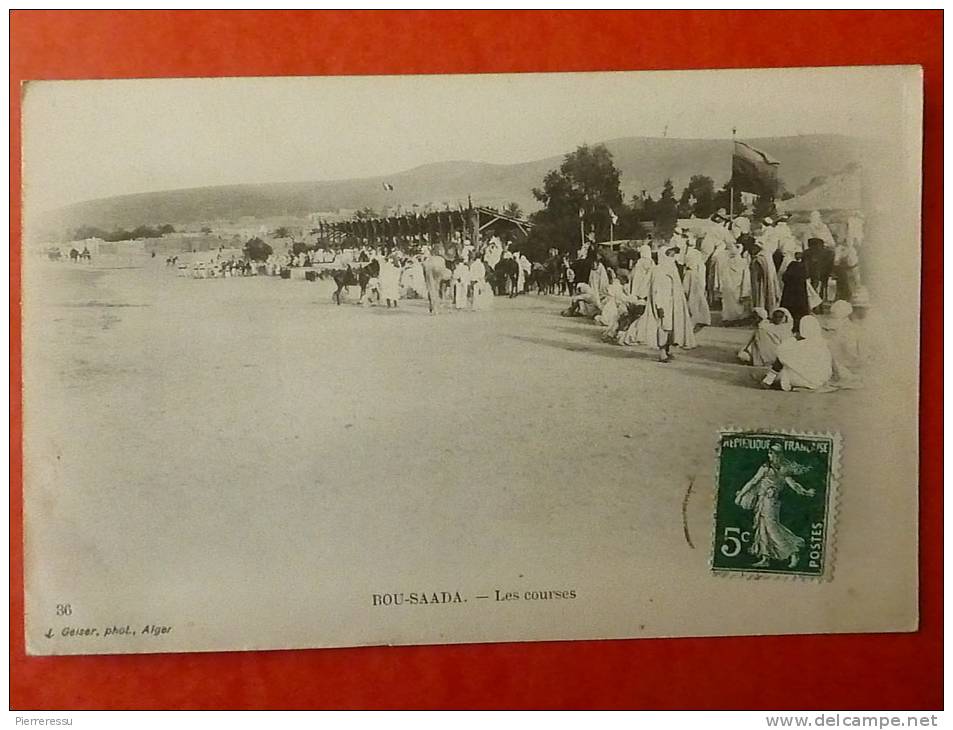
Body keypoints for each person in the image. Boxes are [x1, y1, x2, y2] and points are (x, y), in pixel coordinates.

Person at [734, 444, 815, 568]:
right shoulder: (766, 467)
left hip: (771, 502)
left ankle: (793, 553)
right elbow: (753, 481)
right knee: (763, 529)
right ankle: (765, 558)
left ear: (778, 455)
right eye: (769, 453)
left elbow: (793, 485)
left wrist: (805, 492)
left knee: (772, 528)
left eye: (772, 453)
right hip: (762, 501)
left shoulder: (783, 469)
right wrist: (741, 494)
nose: (770, 456)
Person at [647, 246, 697, 362]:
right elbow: (656, 289)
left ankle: (668, 350)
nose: (673, 257)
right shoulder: (658, 269)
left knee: (672, 327)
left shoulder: (672, 268)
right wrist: (659, 306)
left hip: (674, 302)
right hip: (664, 302)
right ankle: (662, 353)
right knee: (664, 327)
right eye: (670, 254)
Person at [761, 315, 833, 391]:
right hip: (818, 381)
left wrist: (794, 338)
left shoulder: (796, 345)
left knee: (783, 359)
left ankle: (768, 380)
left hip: (797, 380)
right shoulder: (823, 344)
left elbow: (780, 352)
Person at [822, 300, 864, 388]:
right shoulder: (845, 325)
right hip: (846, 361)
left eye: (833, 314)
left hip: (847, 364)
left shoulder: (847, 330)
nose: (832, 316)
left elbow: (851, 353)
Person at [712, 242, 751, 323]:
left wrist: (719, 286)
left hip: (729, 287)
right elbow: (746, 278)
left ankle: (729, 319)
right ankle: (735, 319)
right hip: (736, 287)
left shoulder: (725, 262)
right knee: (734, 304)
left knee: (730, 304)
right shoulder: (743, 262)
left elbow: (719, 275)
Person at [779, 252, 811, 330]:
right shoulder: (803, 266)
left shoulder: (792, 265)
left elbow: (784, 277)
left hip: (790, 293)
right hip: (799, 293)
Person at [682, 245, 711, 328]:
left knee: (695, 301)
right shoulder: (693, 268)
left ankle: (700, 319)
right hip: (694, 281)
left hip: (695, 283)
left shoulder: (698, 267)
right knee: (695, 300)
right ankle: (700, 318)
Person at [749, 240, 781, 314]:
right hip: (765, 279)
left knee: (762, 295)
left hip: (761, 280)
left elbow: (760, 269)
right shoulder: (767, 256)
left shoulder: (761, 257)